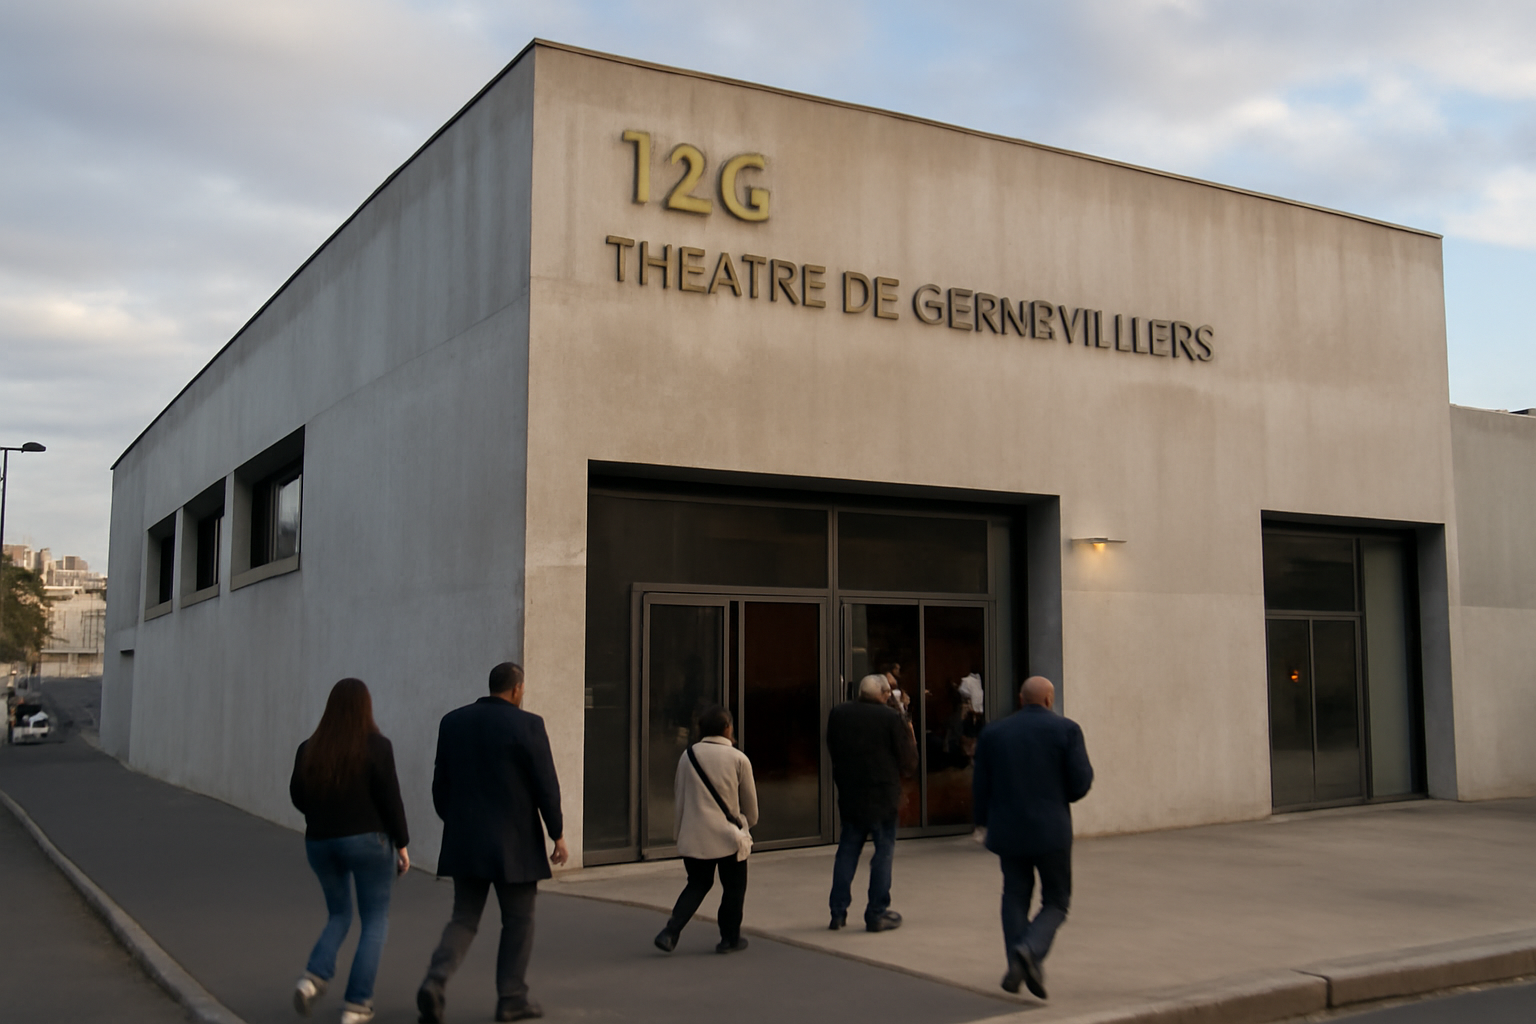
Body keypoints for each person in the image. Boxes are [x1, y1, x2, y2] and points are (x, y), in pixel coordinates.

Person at [417, 662, 566, 1023]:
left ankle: (435, 980)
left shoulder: (452, 722)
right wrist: (557, 833)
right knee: (519, 920)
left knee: (464, 917)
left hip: (465, 840)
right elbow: (545, 784)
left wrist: (456, 822)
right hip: (515, 843)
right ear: (517, 689)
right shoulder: (528, 724)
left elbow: (440, 785)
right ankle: (512, 997)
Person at [289, 678, 410, 1024]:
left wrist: (321, 818)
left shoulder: (309, 748)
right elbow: (390, 799)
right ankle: (356, 1005)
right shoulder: (378, 746)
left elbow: (298, 796)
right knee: (374, 921)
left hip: (320, 842)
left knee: (339, 915)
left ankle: (312, 979)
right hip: (368, 842)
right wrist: (402, 844)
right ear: (365, 708)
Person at [972, 675, 1093, 1000]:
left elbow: (980, 784)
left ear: (1021, 699)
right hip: (1051, 830)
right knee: (1056, 900)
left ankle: (1018, 961)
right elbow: (1080, 783)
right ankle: (1028, 950)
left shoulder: (994, 732)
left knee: (1014, 895)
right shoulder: (1067, 730)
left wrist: (982, 822)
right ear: (1050, 700)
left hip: (1008, 829)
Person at [653, 704, 758, 954]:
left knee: (697, 884)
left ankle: (670, 932)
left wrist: (680, 832)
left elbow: (679, 796)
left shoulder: (688, 756)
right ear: (727, 727)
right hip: (728, 837)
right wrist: (745, 823)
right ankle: (729, 939)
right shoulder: (738, 759)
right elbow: (751, 808)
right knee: (733, 889)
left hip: (695, 834)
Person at [825, 674, 917, 932]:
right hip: (883, 796)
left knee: (847, 850)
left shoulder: (839, 713)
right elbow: (908, 760)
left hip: (851, 793)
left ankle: (837, 912)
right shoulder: (891, 718)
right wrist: (909, 734)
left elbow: (832, 746)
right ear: (884, 694)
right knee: (883, 853)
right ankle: (876, 912)